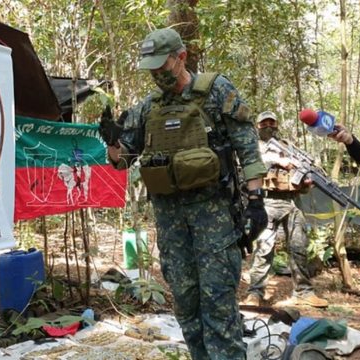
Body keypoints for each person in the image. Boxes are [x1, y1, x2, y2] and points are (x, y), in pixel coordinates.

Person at [100, 28, 267, 360]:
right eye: (151, 68)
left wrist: (256, 202)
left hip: (214, 217)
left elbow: (248, 151)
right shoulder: (147, 108)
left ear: (181, 57)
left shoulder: (216, 92)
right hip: (171, 222)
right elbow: (122, 161)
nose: (157, 74)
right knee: (187, 306)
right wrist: (112, 140)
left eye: (162, 66)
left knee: (219, 306)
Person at [241, 111, 328, 308]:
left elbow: (302, 179)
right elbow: (249, 163)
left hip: (292, 203)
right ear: (258, 126)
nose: (269, 126)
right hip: (266, 203)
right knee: (264, 249)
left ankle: (303, 292)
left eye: (272, 122)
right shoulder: (254, 147)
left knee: (299, 247)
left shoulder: (289, 148)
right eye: (264, 123)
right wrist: (277, 160)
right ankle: (255, 292)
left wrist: (306, 182)